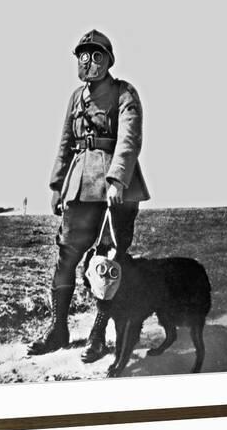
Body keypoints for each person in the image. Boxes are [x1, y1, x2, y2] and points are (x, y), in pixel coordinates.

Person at [27, 29, 150, 362]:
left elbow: (129, 139)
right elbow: (66, 143)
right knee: (67, 257)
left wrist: (117, 181)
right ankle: (58, 330)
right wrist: (56, 186)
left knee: (108, 263)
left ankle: (97, 336)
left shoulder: (125, 93)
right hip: (79, 186)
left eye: (97, 56)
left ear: (109, 60)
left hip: (116, 192)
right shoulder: (75, 97)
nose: (90, 62)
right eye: (84, 55)